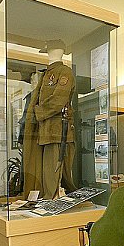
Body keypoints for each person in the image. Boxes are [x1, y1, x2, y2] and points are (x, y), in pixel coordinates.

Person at [23, 39, 76, 199]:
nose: (48, 53)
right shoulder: (47, 73)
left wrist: (37, 113)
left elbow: (57, 101)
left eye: (50, 50)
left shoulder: (64, 72)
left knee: (54, 171)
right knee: (45, 170)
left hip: (57, 130)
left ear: (57, 51)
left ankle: (52, 199)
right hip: (45, 131)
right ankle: (47, 199)